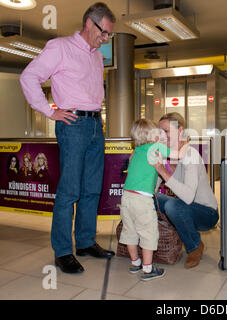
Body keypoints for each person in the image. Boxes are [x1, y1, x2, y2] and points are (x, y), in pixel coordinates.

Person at [19, 2, 116, 274]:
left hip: (96, 125)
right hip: (72, 125)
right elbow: (29, 77)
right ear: (89, 23)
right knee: (70, 190)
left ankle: (85, 242)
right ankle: (63, 251)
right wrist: (51, 112)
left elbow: (91, 90)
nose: (106, 39)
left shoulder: (97, 56)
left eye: (109, 35)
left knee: (92, 189)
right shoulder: (59, 47)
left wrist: (98, 119)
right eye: (104, 32)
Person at [149, 112, 219, 269]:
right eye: (159, 132)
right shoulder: (166, 155)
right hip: (184, 206)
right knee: (148, 197)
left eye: (166, 131)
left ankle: (194, 246)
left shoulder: (190, 155)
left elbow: (188, 197)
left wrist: (162, 171)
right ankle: (167, 235)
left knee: (173, 206)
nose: (161, 136)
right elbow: (154, 188)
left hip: (207, 213)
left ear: (180, 130)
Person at [120, 119, 187, 281]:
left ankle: (135, 263)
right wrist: (184, 142)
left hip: (126, 197)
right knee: (148, 232)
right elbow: (178, 154)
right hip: (142, 200)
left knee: (130, 231)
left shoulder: (136, 151)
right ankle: (147, 269)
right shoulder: (155, 147)